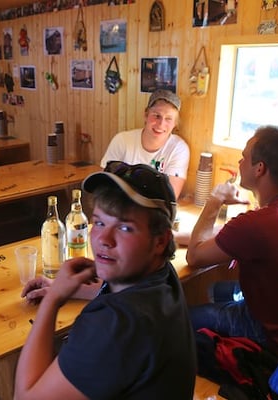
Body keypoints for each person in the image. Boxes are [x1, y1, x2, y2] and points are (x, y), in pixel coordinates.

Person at [14, 161, 196, 399]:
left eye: (125, 228)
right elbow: (123, 291)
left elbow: (24, 397)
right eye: (99, 222)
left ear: (160, 241)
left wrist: (53, 300)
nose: (103, 239)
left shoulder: (117, 324)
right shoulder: (162, 276)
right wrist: (69, 288)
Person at [186, 125, 278, 359]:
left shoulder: (257, 224)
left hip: (274, 334)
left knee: (183, 319)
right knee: (214, 289)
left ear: (260, 169)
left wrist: (215, 199)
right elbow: (229, 236)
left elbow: (194, 257)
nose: (240, 162)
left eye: (244, 157)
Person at [100, 89, 190, 199]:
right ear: (146, 115)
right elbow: (104, 185)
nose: (161, 124)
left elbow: (170, 198)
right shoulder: (122, 140)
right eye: (157, 116)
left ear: (175, 123)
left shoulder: (179, 149)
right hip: (119, 205)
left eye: (168, 119)